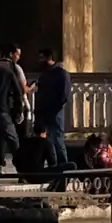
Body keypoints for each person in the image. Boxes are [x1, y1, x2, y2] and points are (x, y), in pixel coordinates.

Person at [34, 47, 72, 185]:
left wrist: (54, 108)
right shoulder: (44, 75)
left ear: (50, 58)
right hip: (44, 112)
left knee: (57, 140)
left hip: (55, 112)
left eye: (42, 58)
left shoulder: (61, 74)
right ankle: (53, 170)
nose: (39, 61)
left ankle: (64, 170)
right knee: (48, 142)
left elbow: (64, 95)